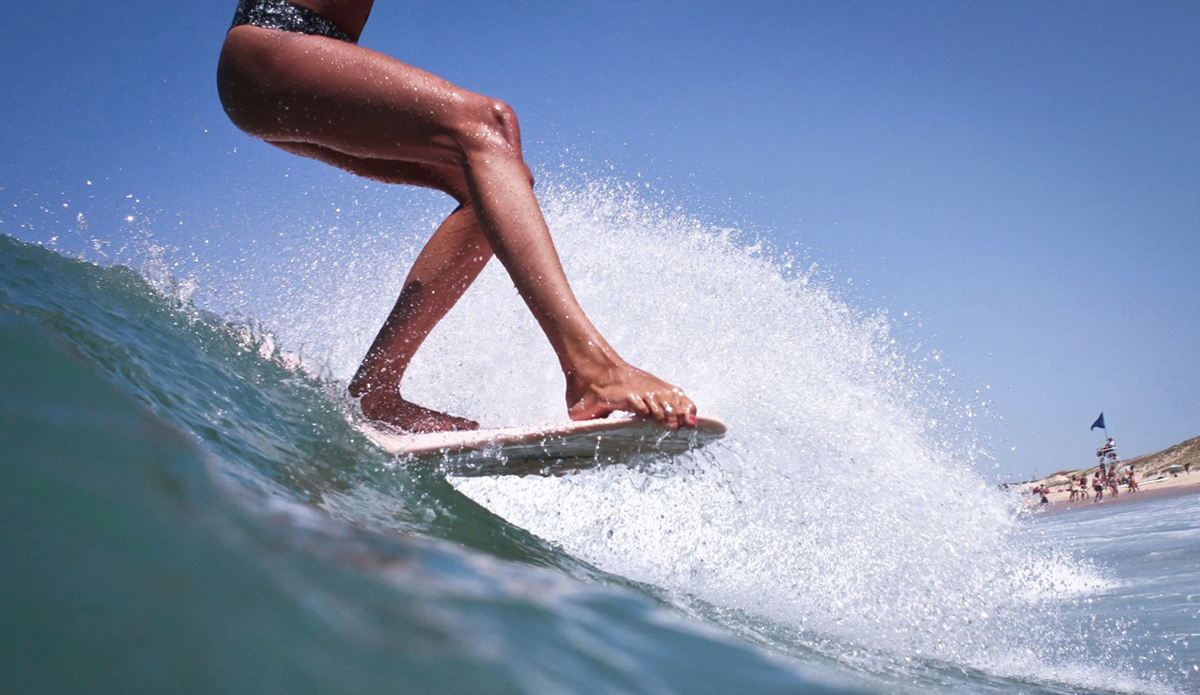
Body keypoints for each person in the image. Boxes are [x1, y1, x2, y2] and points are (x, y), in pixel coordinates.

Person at [216, 0, 697, 433]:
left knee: (492, 182)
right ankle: (591, 366)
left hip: (302, 60)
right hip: (274, 46)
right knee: (488, 124)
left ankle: (373, 392)